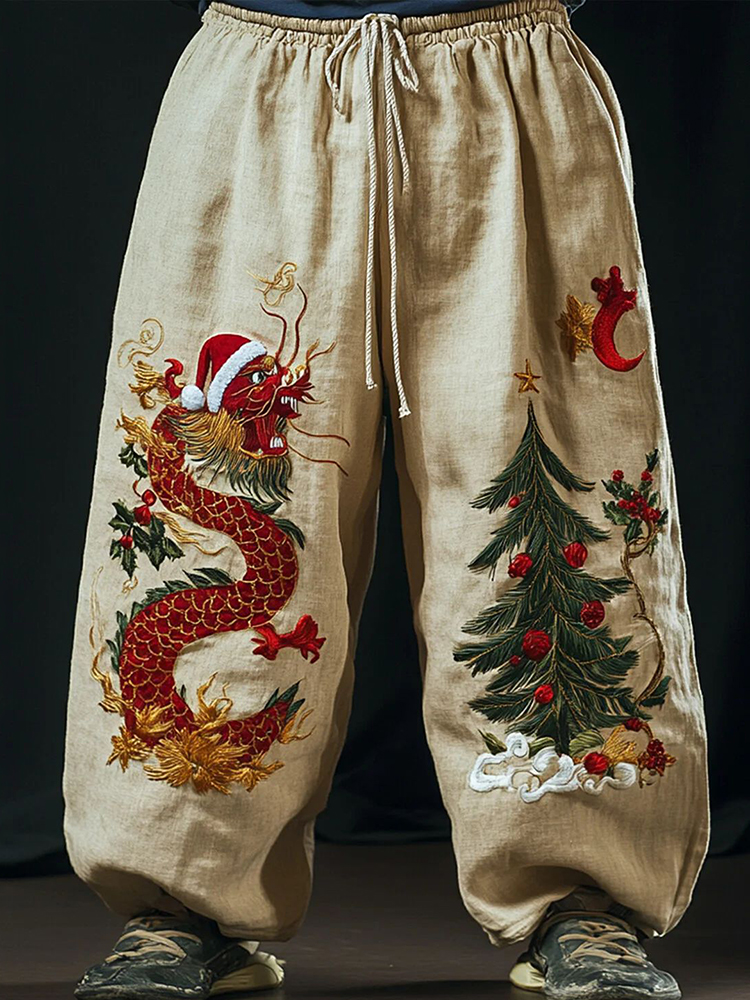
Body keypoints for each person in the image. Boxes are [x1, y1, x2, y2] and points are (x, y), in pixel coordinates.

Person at [64, 2, 709, 998]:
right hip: (258, 81)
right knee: (225, 498)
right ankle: (179, 903)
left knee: (554, 499)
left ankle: (584, 898)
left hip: (511, 80)